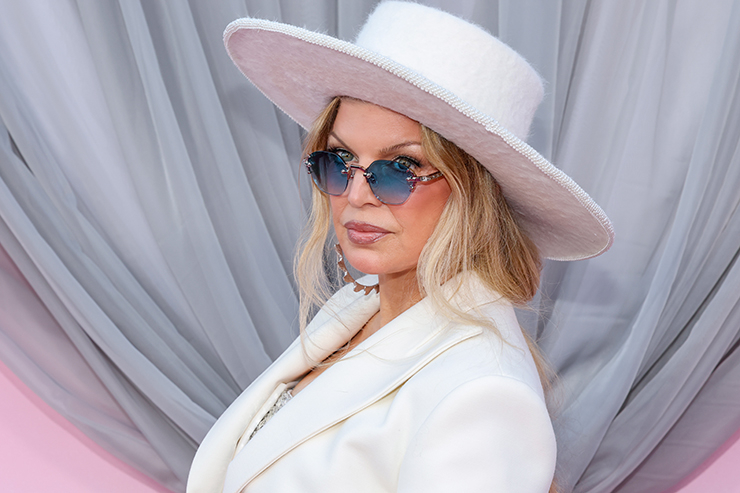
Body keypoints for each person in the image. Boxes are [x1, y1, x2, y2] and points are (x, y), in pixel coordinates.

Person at [187, 2, 614, 492]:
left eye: (400, 168)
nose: (355, 195)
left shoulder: (483, 394)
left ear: (473, 193)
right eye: (339, 158)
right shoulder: (359, 307)